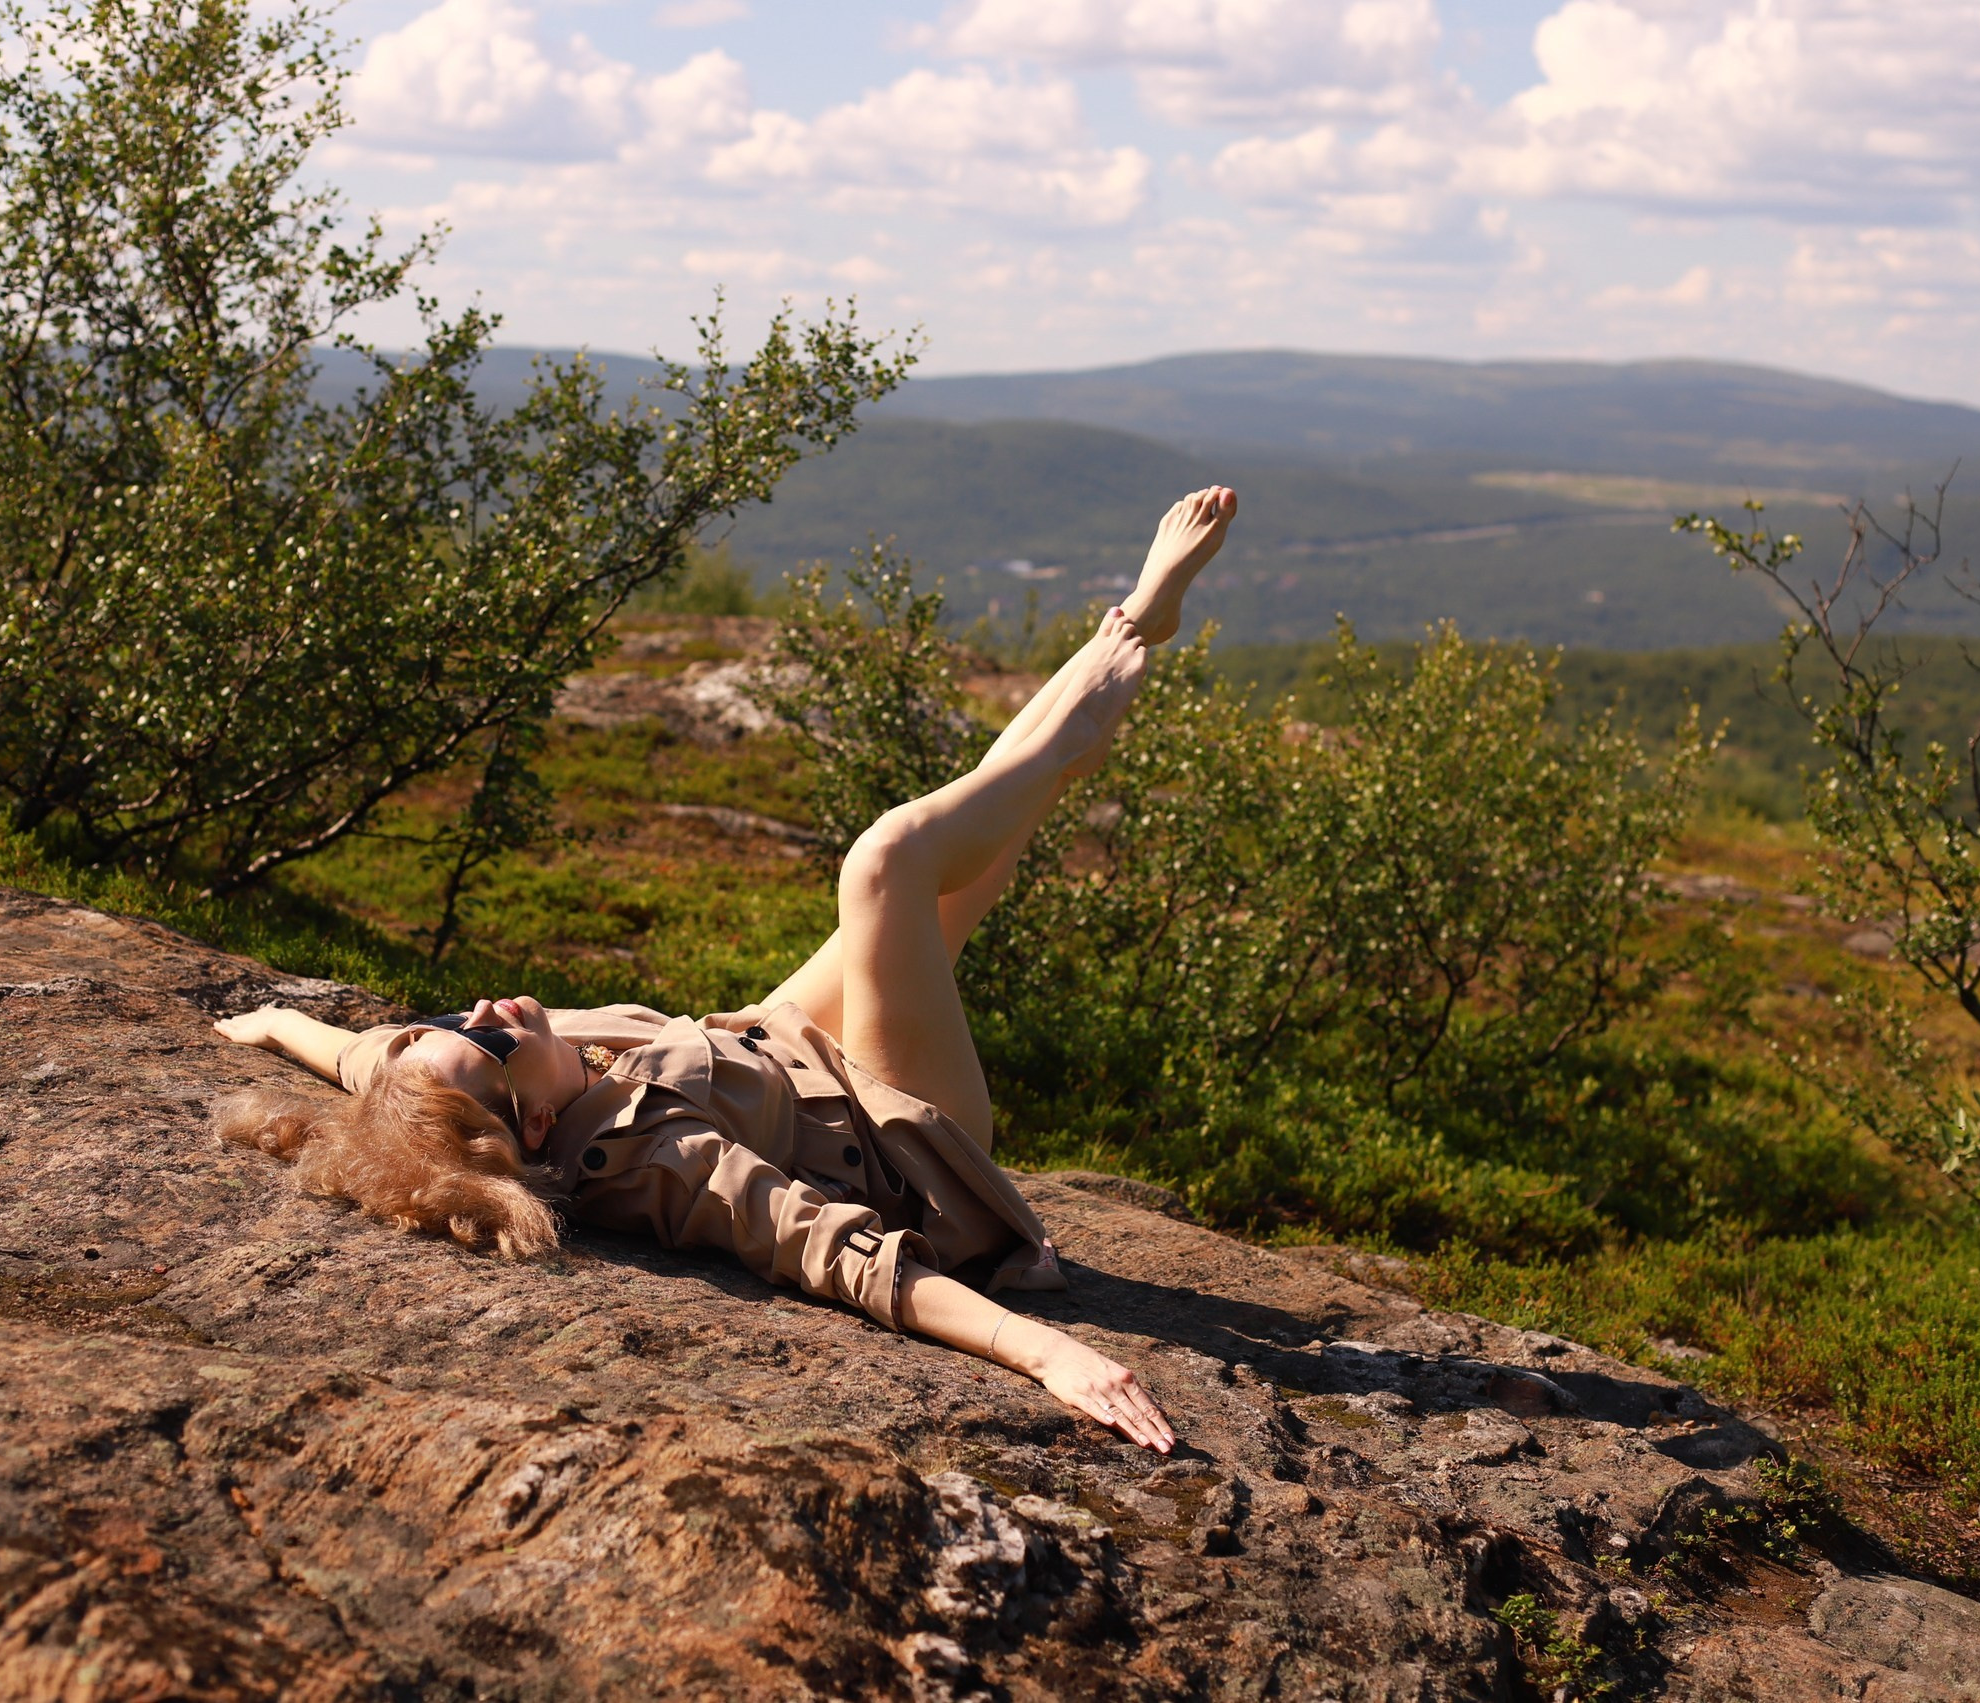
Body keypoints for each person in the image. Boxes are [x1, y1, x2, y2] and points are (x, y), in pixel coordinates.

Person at [213, 487, 1239, 1454]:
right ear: (530, 1125)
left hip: (789, 1042)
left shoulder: (458, 1083)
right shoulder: (660, 1163)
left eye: (451, 1016)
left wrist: (270, 1024)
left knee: (990, 825)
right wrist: (1047, 1350)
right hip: (898, 1135)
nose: (485, 1008)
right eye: (489, 1036)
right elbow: (833, 1252)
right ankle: (1129, 639)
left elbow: (363, 1059)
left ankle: (1127, 639)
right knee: (888, 861)